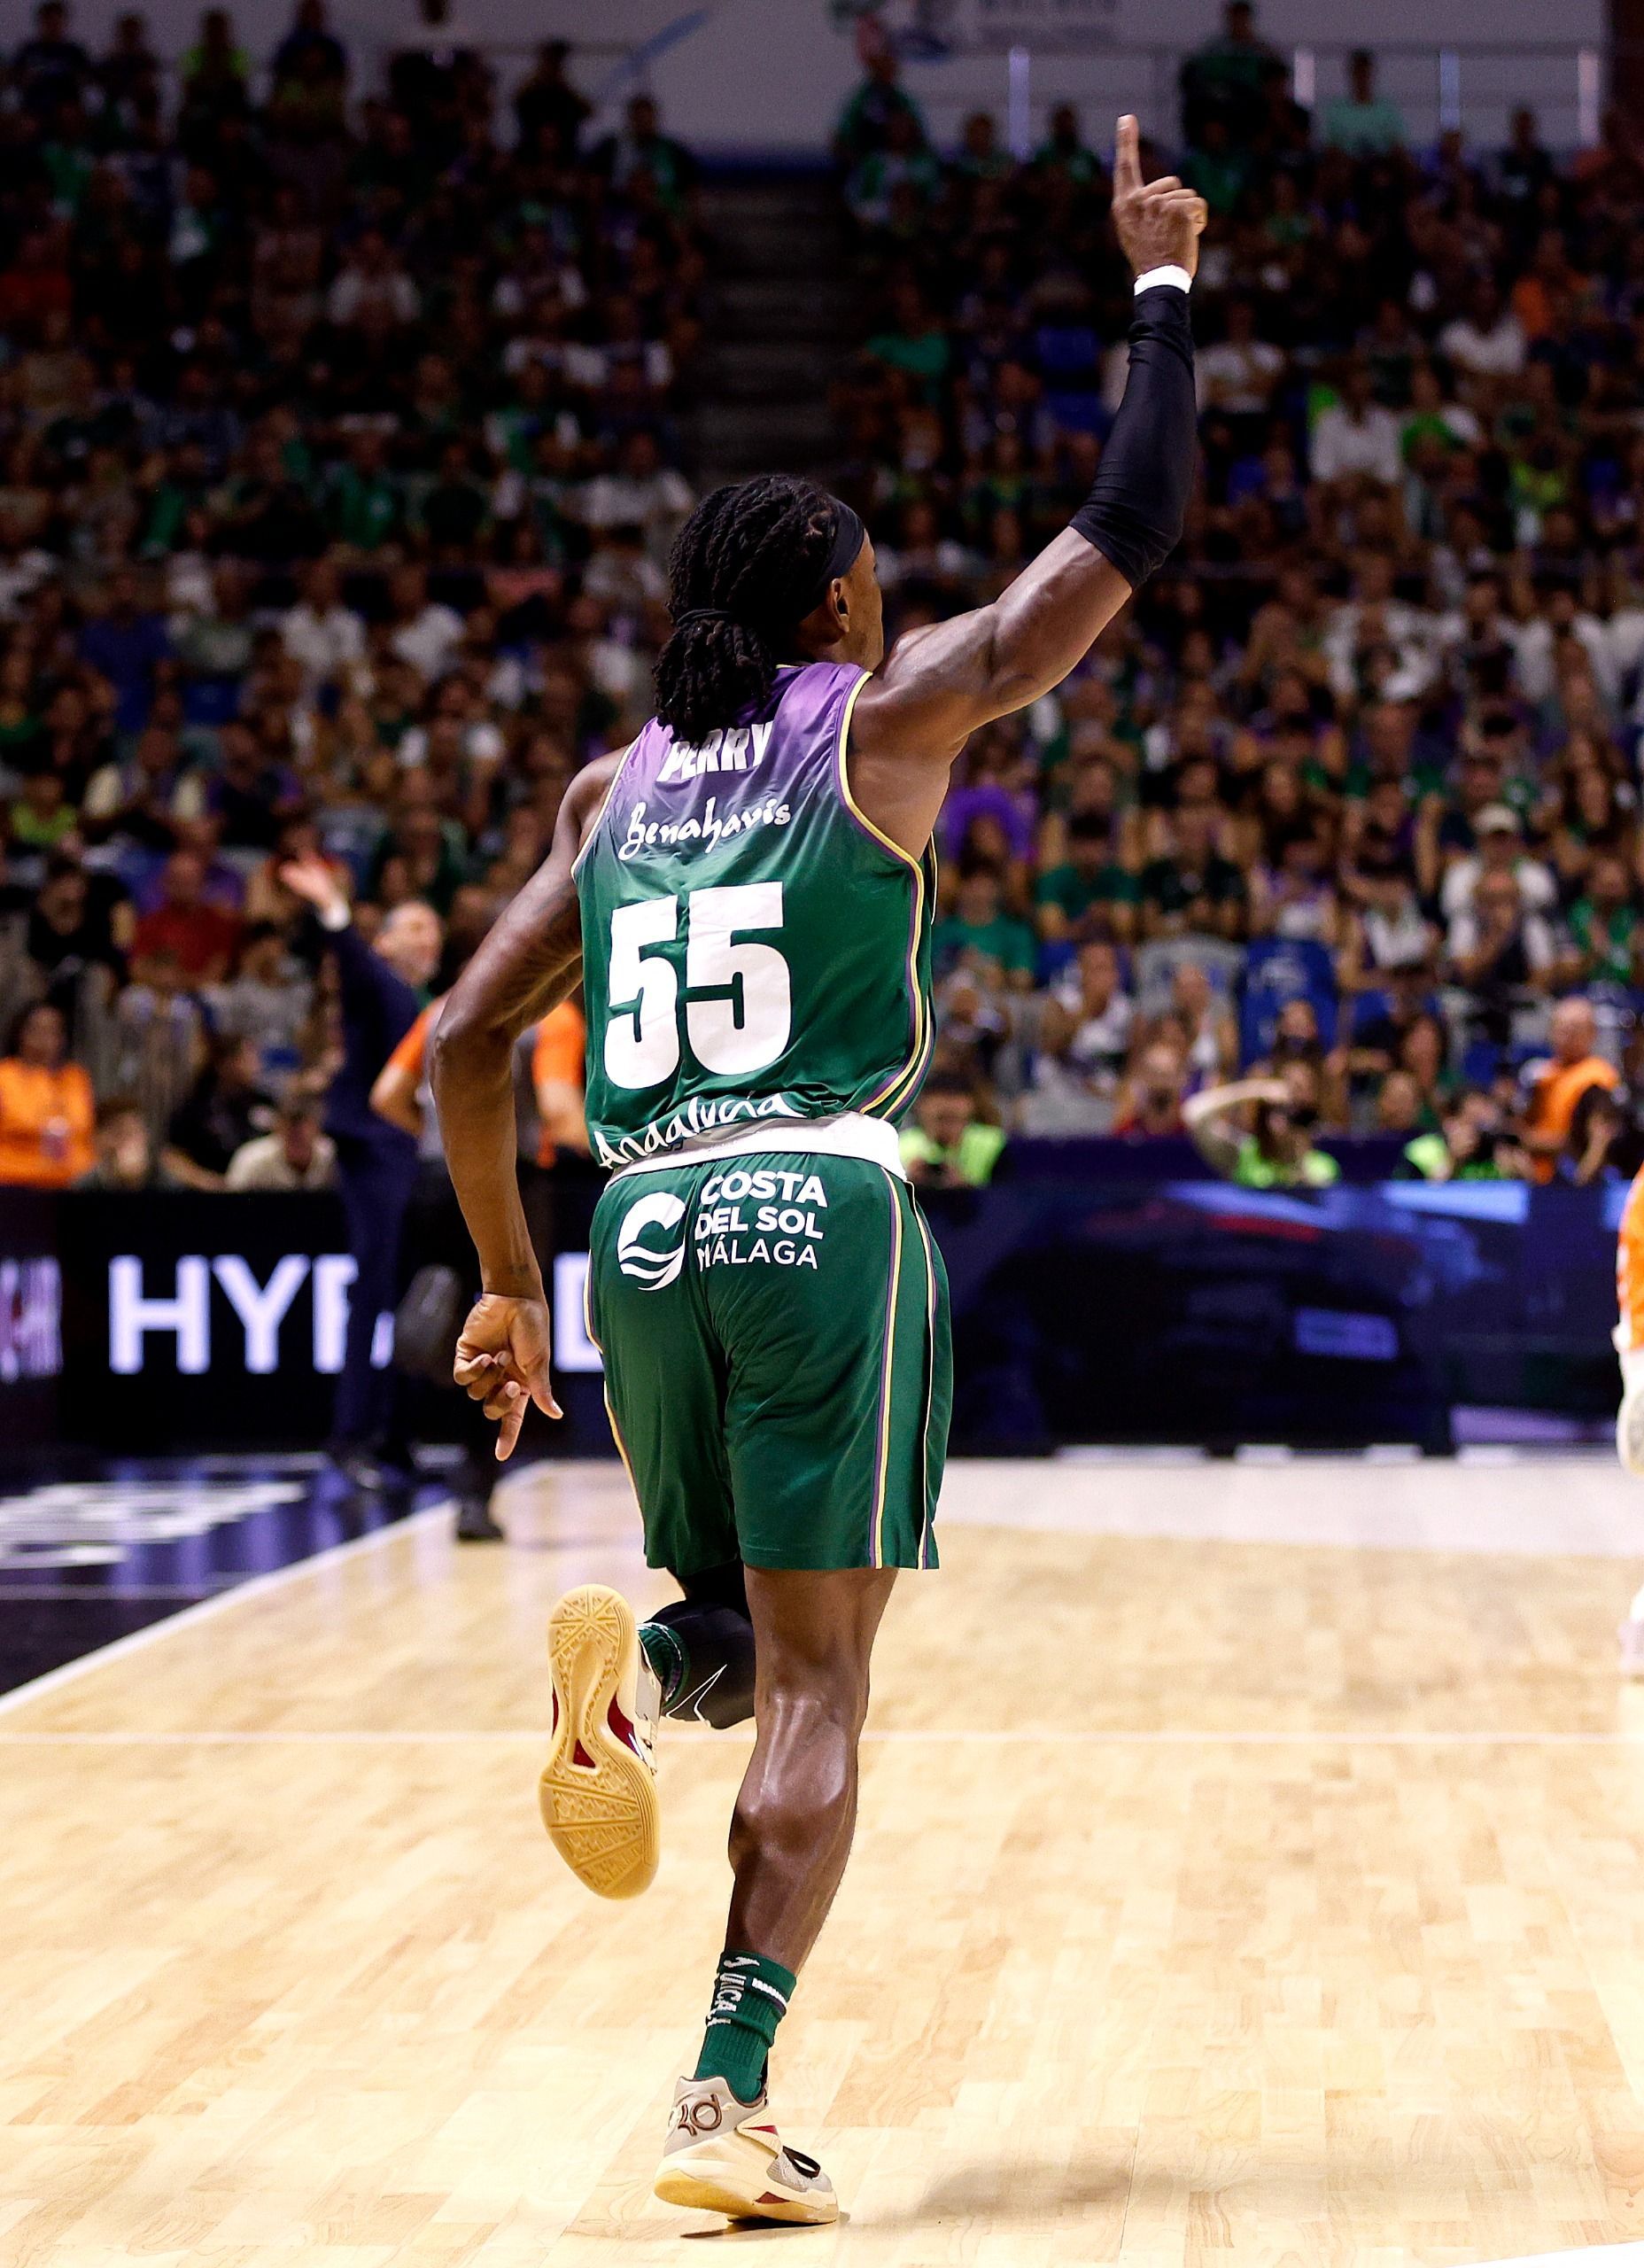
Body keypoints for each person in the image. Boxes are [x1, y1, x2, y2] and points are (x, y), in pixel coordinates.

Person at [430, 120, 1203, 2230]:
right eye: (865, 572)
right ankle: (726, 2088)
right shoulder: (884, 711)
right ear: (836, 601)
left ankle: (639, 1670)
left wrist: (507, 1281)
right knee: (828, 1680)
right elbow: (1128, 525)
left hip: (641, 1221)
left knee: (743, 1632)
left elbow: (469, 1044)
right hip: (816, 1208)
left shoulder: (609, 788)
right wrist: (1158, 289)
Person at [280, 853, 443, 1486]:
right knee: (373, 1294)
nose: (428, 939)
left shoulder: (425, 1001)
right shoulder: (377, 983)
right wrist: (333, 908)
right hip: (375, 1154)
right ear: (385, 942)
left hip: (416, 1159)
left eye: (434, 931)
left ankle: (395, 1439)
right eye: (415, 928)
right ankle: (349, 1438)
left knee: (413, 1301)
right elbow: (351, 962)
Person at [1184, 1064, 1342, 1188]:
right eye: (1275, 1109)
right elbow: (1192, 1112)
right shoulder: (1245, 1153)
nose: (1282, 1120)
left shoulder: (1323, 1166)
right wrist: (1257, 1089)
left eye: (1293, 1112)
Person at [1521, 996, 1619, 1184]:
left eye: (1575, 1029)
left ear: (1592, 1033)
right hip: (1537, 1180)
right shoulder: (1539, 1075)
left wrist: (1581, 1176)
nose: (1566, 1035)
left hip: (1578, 1180)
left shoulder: (1598, 1076)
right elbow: (1524, 1129)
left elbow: (1600, 1137)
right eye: (1561, 1028)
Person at [0, 1000, 95, 1187]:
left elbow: (84, 1128)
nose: (45, 1039)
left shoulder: (76, 1078)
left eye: (53, 1031)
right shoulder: (4, 1077)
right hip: (15, 1180)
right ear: (20, 1034)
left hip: (73, 1182)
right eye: (36, 1030)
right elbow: (19, 1121)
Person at [899, 1074, 1006, 1186]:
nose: (948, 1127)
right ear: (921, 1110)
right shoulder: (901, 1146)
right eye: (941, 1119)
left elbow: (1009, 1191)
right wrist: (907, 1180)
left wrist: (964, 1186)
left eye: (955, 1119)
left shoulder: (993, 1144)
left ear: (971, 1110)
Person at [226, 1093, 337, 1189]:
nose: (296, 1136)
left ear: (317, 1129)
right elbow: (231, 1201)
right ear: (278, 1129)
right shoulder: (252, 1159)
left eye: (301, 1134)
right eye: (290, 1132)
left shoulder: (333, 1158)